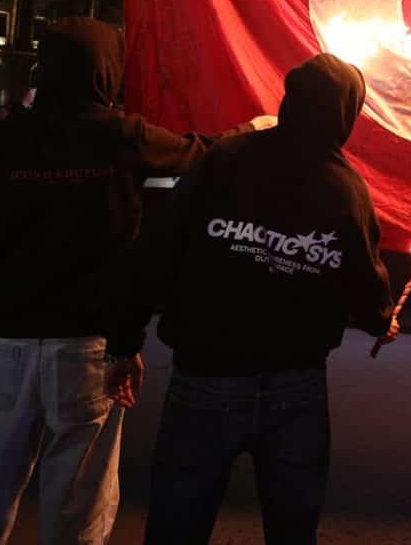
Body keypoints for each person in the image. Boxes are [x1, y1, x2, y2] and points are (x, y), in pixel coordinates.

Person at [0, 18, 265, 545]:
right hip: (88, 346)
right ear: (106, 69)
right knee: (79, 510)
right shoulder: (123, 135)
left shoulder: (5, 139)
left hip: (7, 344)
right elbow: (201, 154)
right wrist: (252, 131)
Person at [106, 53, 393, 545]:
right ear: (346, 114)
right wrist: (382, 319)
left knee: (177, 524)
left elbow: (157, 249)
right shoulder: (346, 189)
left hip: (206, 374)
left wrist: (123, 342)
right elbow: (367, 289)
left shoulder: (225, 159)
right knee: (291, 530)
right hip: (294, 387)